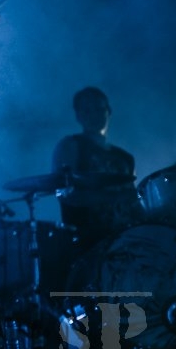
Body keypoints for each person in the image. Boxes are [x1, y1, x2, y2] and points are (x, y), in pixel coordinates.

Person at [51, 86, 140, 252]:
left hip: (127, 241)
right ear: (78, 116)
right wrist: (113, 198)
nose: (93, 115)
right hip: (86, 244)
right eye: (86, 110)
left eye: (99, 109)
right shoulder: (70, 145)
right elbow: (64, 192)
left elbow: (134, 200)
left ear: (109, 112)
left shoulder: (125, 158)